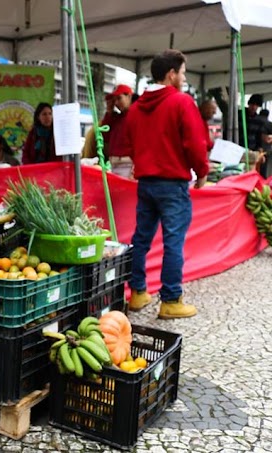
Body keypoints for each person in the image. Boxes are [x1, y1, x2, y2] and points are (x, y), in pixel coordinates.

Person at [123, 49, 209, 319]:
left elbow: (131, 145)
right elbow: (195, 144)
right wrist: (202, 171)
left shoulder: (136, 108)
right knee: (173, 241)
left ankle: (137, 293)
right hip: (173, 184)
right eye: (182, 73)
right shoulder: (181, 103)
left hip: (146, 183)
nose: (184, 78)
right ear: (171, 74)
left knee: (141, 239)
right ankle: (171, 300)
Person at [103, 84, 134, 177]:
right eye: (114, 100)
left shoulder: (136, 116)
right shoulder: (115, 118)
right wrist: (109, 111)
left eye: (119, 98)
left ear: (129, 96)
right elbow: (105, 136)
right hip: (114, 164)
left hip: (129, 166)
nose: (116, 103)